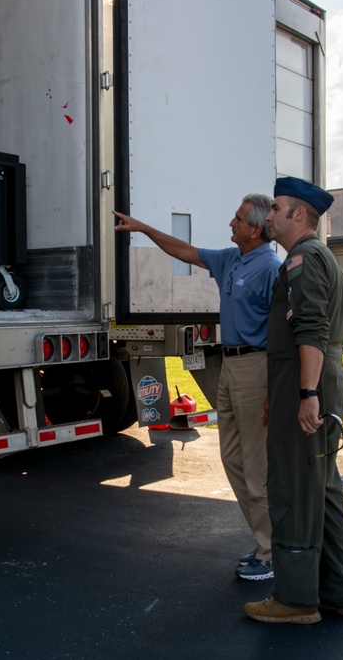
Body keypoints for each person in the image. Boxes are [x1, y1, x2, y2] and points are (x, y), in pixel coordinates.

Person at [114, 195, 279, 581]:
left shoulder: (270, 268)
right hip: (232, 365)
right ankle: (265, 541)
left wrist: (274, 390)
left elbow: (282, 334)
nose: (230, 223)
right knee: (233, 460)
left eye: (237, 219)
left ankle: (274, 554)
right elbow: (185, 251)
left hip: (258, 367)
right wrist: (144, 229)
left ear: (255, 229)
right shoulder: (231, 258)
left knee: (257, 468)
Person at [244, 177, 343, 624]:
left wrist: (306, 394)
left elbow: (310, 328)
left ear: (298, 214)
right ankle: (339, 592)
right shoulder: (318, 256)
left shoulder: (302, 258)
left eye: (275, 208)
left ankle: (295, 600)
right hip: (308, 379)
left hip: (307, 379)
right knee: (323, 490)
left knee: (293, 488)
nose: (268, 215)